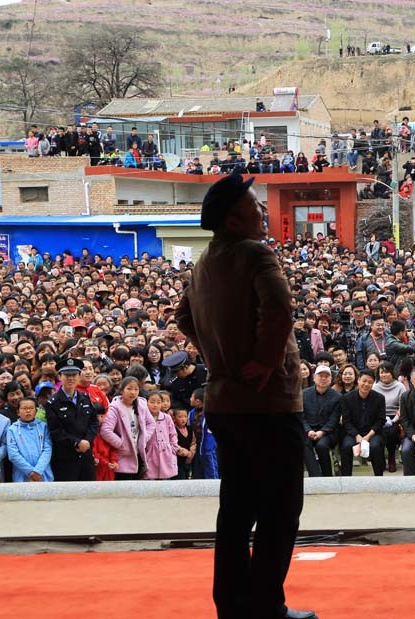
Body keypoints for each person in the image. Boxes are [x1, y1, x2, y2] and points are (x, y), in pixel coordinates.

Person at [173, 172, 315, 619]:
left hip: (224, 403)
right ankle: (268, 607)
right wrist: (265, 359)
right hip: (268, 403)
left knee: (235, 510)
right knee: (280, 508)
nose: (263, 212)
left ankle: (233, 608)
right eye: (255, 206)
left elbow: (183, 318)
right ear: (234, 221)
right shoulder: (255, 253)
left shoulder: (203, 263)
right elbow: (280, 308)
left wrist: (218, 355)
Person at [44, 358, 98, 482]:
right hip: (65, 459)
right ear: (60, 377)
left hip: (86, 455)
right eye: (67, 375)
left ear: (79, 376)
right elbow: (56, 430)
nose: (70, 378)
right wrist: (76, 443)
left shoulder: (85, 398)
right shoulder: (52, 403)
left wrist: (87, 441)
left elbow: (93, 422)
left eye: (74, 375)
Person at [100, 376, 156, 480]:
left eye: (136, 389)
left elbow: (151, 423)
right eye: (129, 389)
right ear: (121, 390)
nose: (133, 392)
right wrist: (121, 443)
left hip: (139, 454)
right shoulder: (115, 407)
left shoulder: (141, 404)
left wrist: (144, 438)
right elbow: (105, 431)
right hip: (122, 456)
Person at [339, 369, 387, 476]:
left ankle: (379, 477)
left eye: (370, 382)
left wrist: (368, 436)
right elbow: (346, 421)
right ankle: (346, 478)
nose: (366, 384)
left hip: (373, 432)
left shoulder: (379, 398)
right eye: (364, 381)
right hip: (353, 433)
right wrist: (357, 435)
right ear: (358, 380)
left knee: (375, 446)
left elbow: (381, 420)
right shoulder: (346, 398)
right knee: (347, 446)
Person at [301, 365, 341, 477]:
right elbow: (301, 416)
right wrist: (308, 430)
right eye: (320, 376)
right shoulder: (304, 394)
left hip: (328, 432)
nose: (323, 378)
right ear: (314, 378)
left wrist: (322, 432)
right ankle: (315, 475)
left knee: (322, 446)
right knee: (304, 443)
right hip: (308, 430)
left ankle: (327, 476)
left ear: (331, 379)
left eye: (326, 376)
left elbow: (334, 419)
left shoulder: (337, 397)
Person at [6, 397, 53, 482]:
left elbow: (47, 450)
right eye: (24, 408)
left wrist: (38, 471)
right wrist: (30, 471)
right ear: (18, 412)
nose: (28, 411)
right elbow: (13, 454)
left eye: (31, 408)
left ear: (36, 411)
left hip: (43, 473)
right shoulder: (12, 430)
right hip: (22, 475)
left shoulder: (44, 427)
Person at [372, 362, 407, 472]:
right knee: (379, 431)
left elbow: (403, 406)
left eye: (386, 372)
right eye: (381, 372)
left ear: (392, 373)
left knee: (391, 432)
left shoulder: (400, 386)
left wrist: (394, 419)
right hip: (380, 416)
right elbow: (373, 407)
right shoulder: (375, 387)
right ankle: (380, 458)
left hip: (395, 416)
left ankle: (391, 457)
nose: (384, 375)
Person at [144, 391, 180, 480]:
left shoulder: (166, 417)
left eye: (159, 402)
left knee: (165, 478)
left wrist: (173, 448)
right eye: (152, 402)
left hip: (166, 453)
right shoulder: (143, 418)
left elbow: (173, 434)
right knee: (150, 478)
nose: (155, 405)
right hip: (150, 453)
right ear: (146, 403)